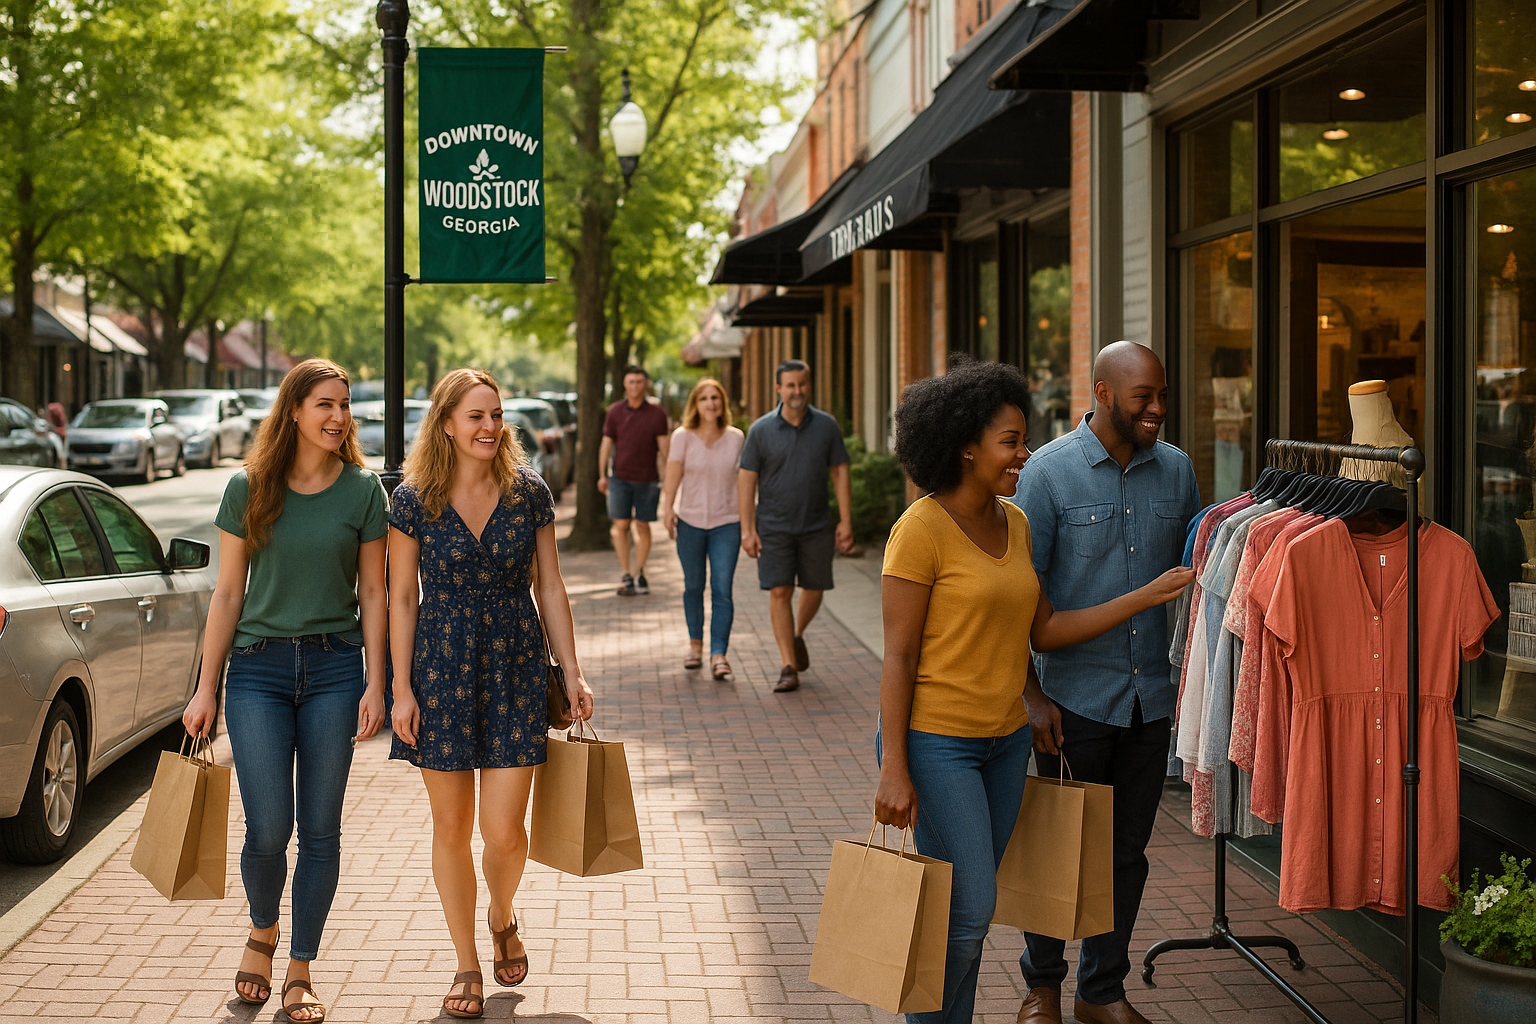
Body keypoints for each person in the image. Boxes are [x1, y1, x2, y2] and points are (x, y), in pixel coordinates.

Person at [873, 358, 1192, 1024]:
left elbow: (1039, 630)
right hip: (936, 743)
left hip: (1003, 741)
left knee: (965, 905)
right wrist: (894, 767)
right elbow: (898, 657)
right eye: (1010, 442)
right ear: (964, 446)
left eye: (1023, 441)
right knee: (972, 907)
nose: (1024, 454)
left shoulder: (1012, 523)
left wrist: (1143, 596)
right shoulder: (920, 530)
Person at [182, 358, 388, 1024]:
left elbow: (377, 593)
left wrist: (377, 681)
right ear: (293, 410)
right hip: (257, 670)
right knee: (269, 829)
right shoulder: (249, 488)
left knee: (320, 831)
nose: (338, 417)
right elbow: (227, 593)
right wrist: (204, 688)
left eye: (345, 405)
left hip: (334, 668)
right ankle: (262, 929)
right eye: (325, 404)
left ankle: (300, 969)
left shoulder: (363, 491)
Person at [388, 368, 595, 1020]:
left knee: (505, 832)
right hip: (440, 670)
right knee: (450, 828)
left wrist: (574, 670)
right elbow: (399, 598)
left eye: (496, 415)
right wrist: (400, 689)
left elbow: (551, 587)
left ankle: (502, 913)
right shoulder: (413, 498)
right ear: (446, 422)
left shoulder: (528, 491)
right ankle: (466, 963)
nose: (489, 427)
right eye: (476, 416)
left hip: (514, 665)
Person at [1009, 341, 1202, 1024]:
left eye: (1161, 394)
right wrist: (1031, 696)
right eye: (1143, 396)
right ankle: (1043, 985)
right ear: (1103, 392)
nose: (1156, 408)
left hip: (1149, 700)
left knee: (1125, 855)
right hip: (1071, 702)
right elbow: (1016, 599)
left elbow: (1190, 590)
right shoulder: (1049, 476)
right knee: (1055, 852)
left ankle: (1102, 991)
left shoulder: (1177, 471)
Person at [738, 359, 854, 693]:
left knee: (815, 589)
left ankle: (797, 633)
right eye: (790, 385)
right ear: (778, 389)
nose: (796, 391)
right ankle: (788, 664)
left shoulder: (826, 427)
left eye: (801, 384)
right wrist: (748, 528)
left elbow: (840, 472)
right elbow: (746, 480)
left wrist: (846, 522)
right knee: (780, 590)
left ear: (809, 385)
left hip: (817, 524)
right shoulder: (761, 430)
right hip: (773, 526)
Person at [660, 377, 745, 681]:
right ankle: (695, 646)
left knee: (722, 589)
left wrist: (748, 523)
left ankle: (718, 654)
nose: (711, 403)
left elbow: (744, 484)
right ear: (695, 404)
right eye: (704, 398)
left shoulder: (736, 438)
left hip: (727, 523)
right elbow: (673, 475)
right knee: (693, 586)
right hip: (690, 522)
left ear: (723, 403)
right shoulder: (682, 436)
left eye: (716, 398)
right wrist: (668, 509)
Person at [597, 365, 671, 596]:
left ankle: (640, 572)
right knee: (620, 526)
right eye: (631, 381)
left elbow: (665, 448)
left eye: (640, 381)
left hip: (648, 479)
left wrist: (669, 477)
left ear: (645, 384)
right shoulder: (615, 412)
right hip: (619, 477)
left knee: (642, 525)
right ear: (625, 384)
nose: (635, 386)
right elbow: (607, 444)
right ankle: (626, 573)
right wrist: (602, 475)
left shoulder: (657, 413)